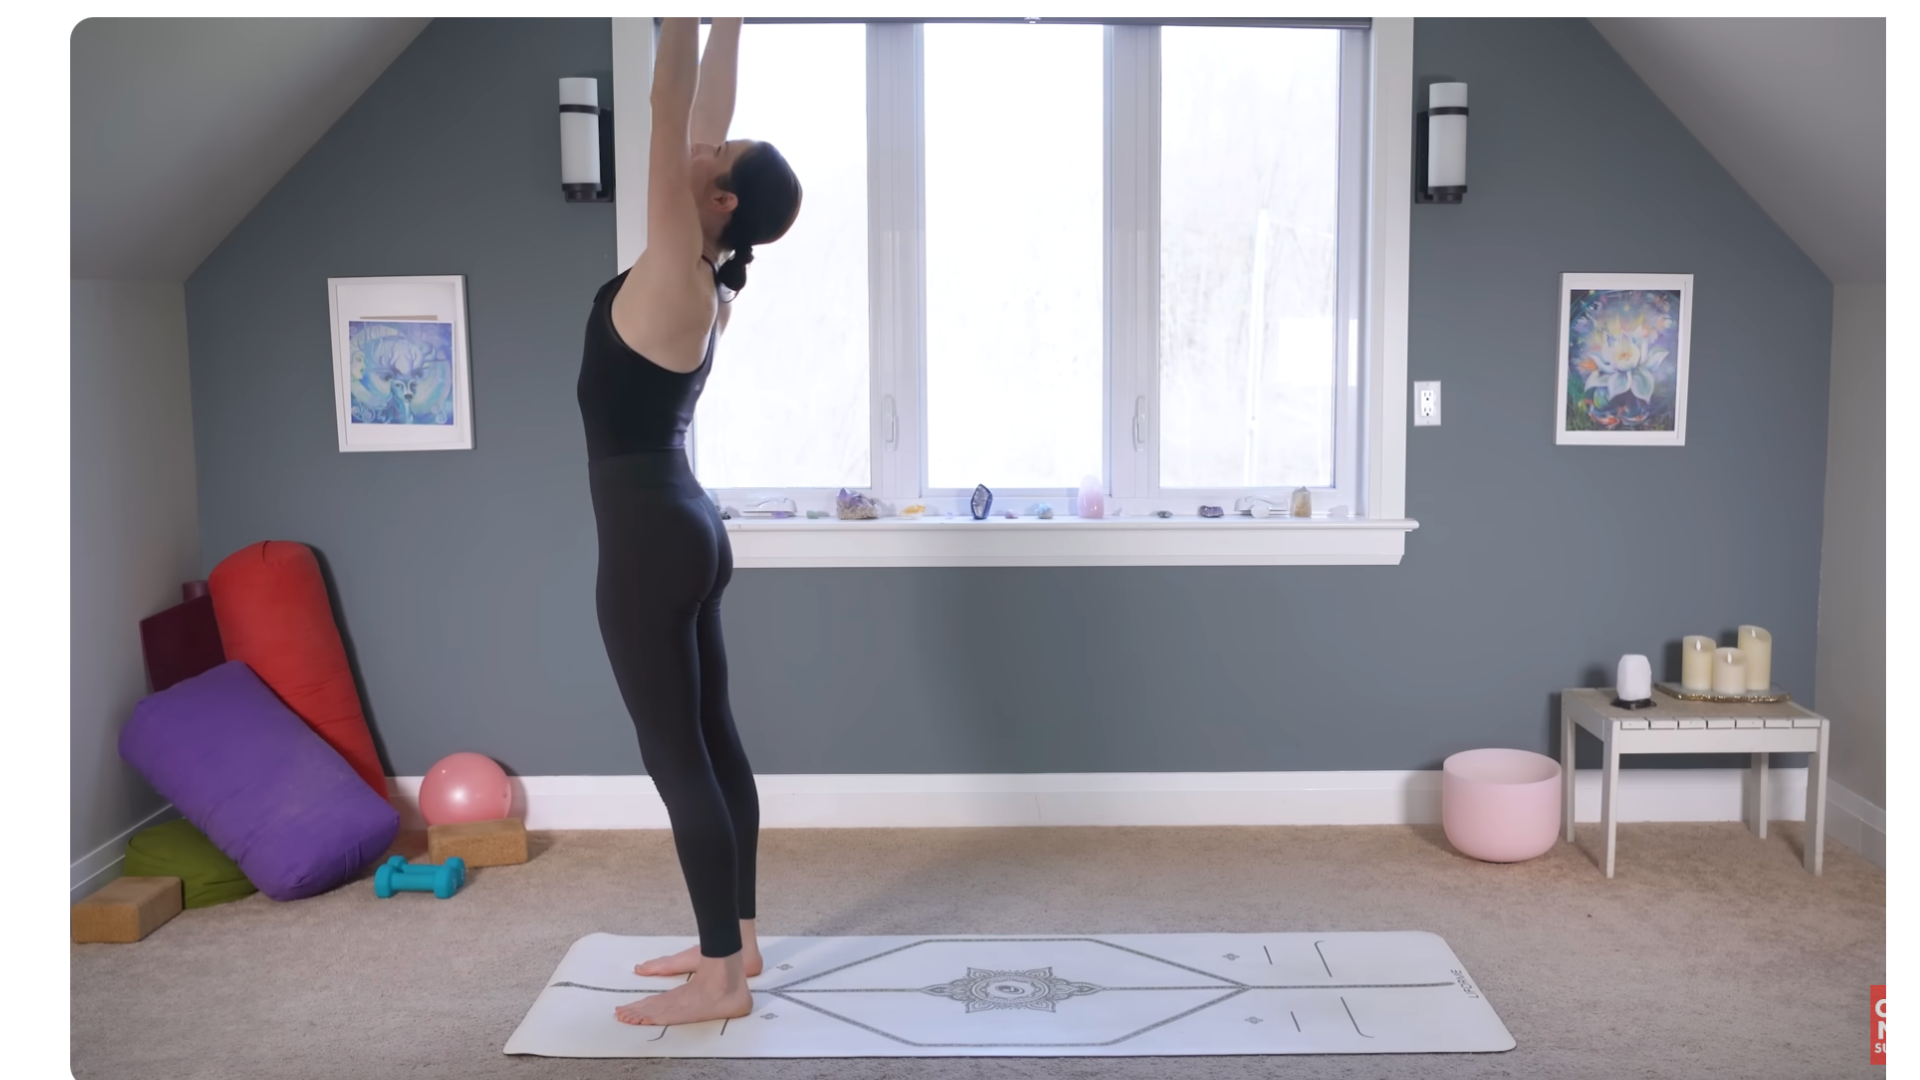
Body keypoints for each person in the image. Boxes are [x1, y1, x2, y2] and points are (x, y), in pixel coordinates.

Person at [575, 16, 801, 1027]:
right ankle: (739, 937)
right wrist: (728, 22)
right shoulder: (701, 272)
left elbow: (674, 112)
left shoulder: (676, 264)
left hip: (648, 540)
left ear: (718, 199)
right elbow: (701, 120)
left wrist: (669, 25)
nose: (709, 140)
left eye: (721, 155)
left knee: (676, 755)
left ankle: (721, 981)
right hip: (687, 526)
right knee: (711, 735)